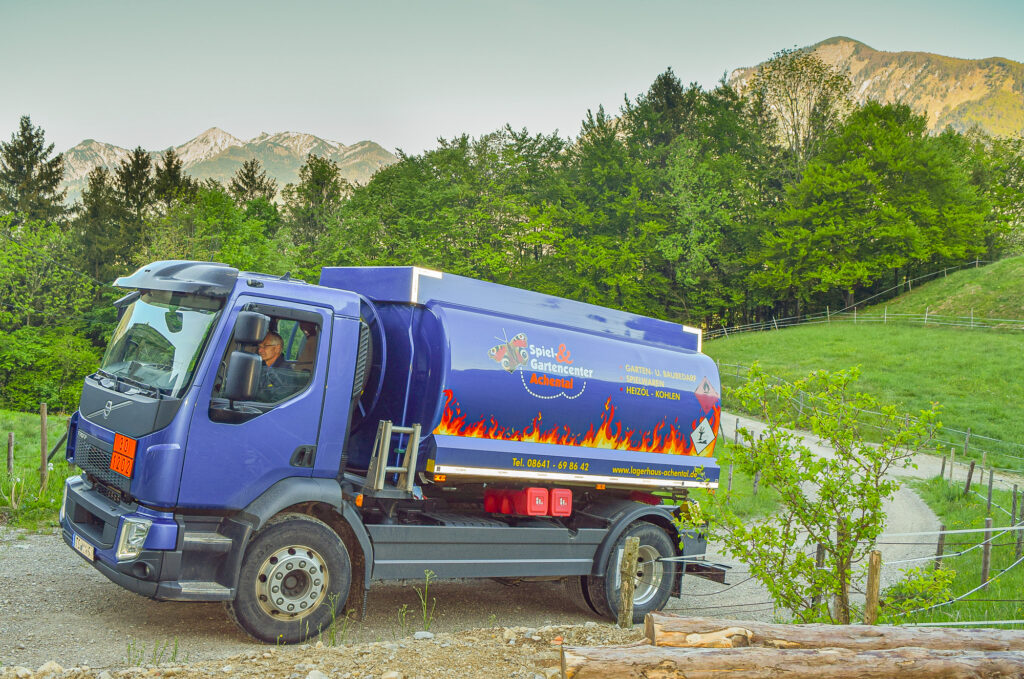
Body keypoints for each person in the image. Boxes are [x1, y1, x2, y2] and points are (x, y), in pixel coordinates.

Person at [255, 331, 291, 401]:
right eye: (259, 346)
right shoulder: (261, 366)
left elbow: (276, 402)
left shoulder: (285, 373)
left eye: (265, 346)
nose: (260, 350)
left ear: (277, 349)